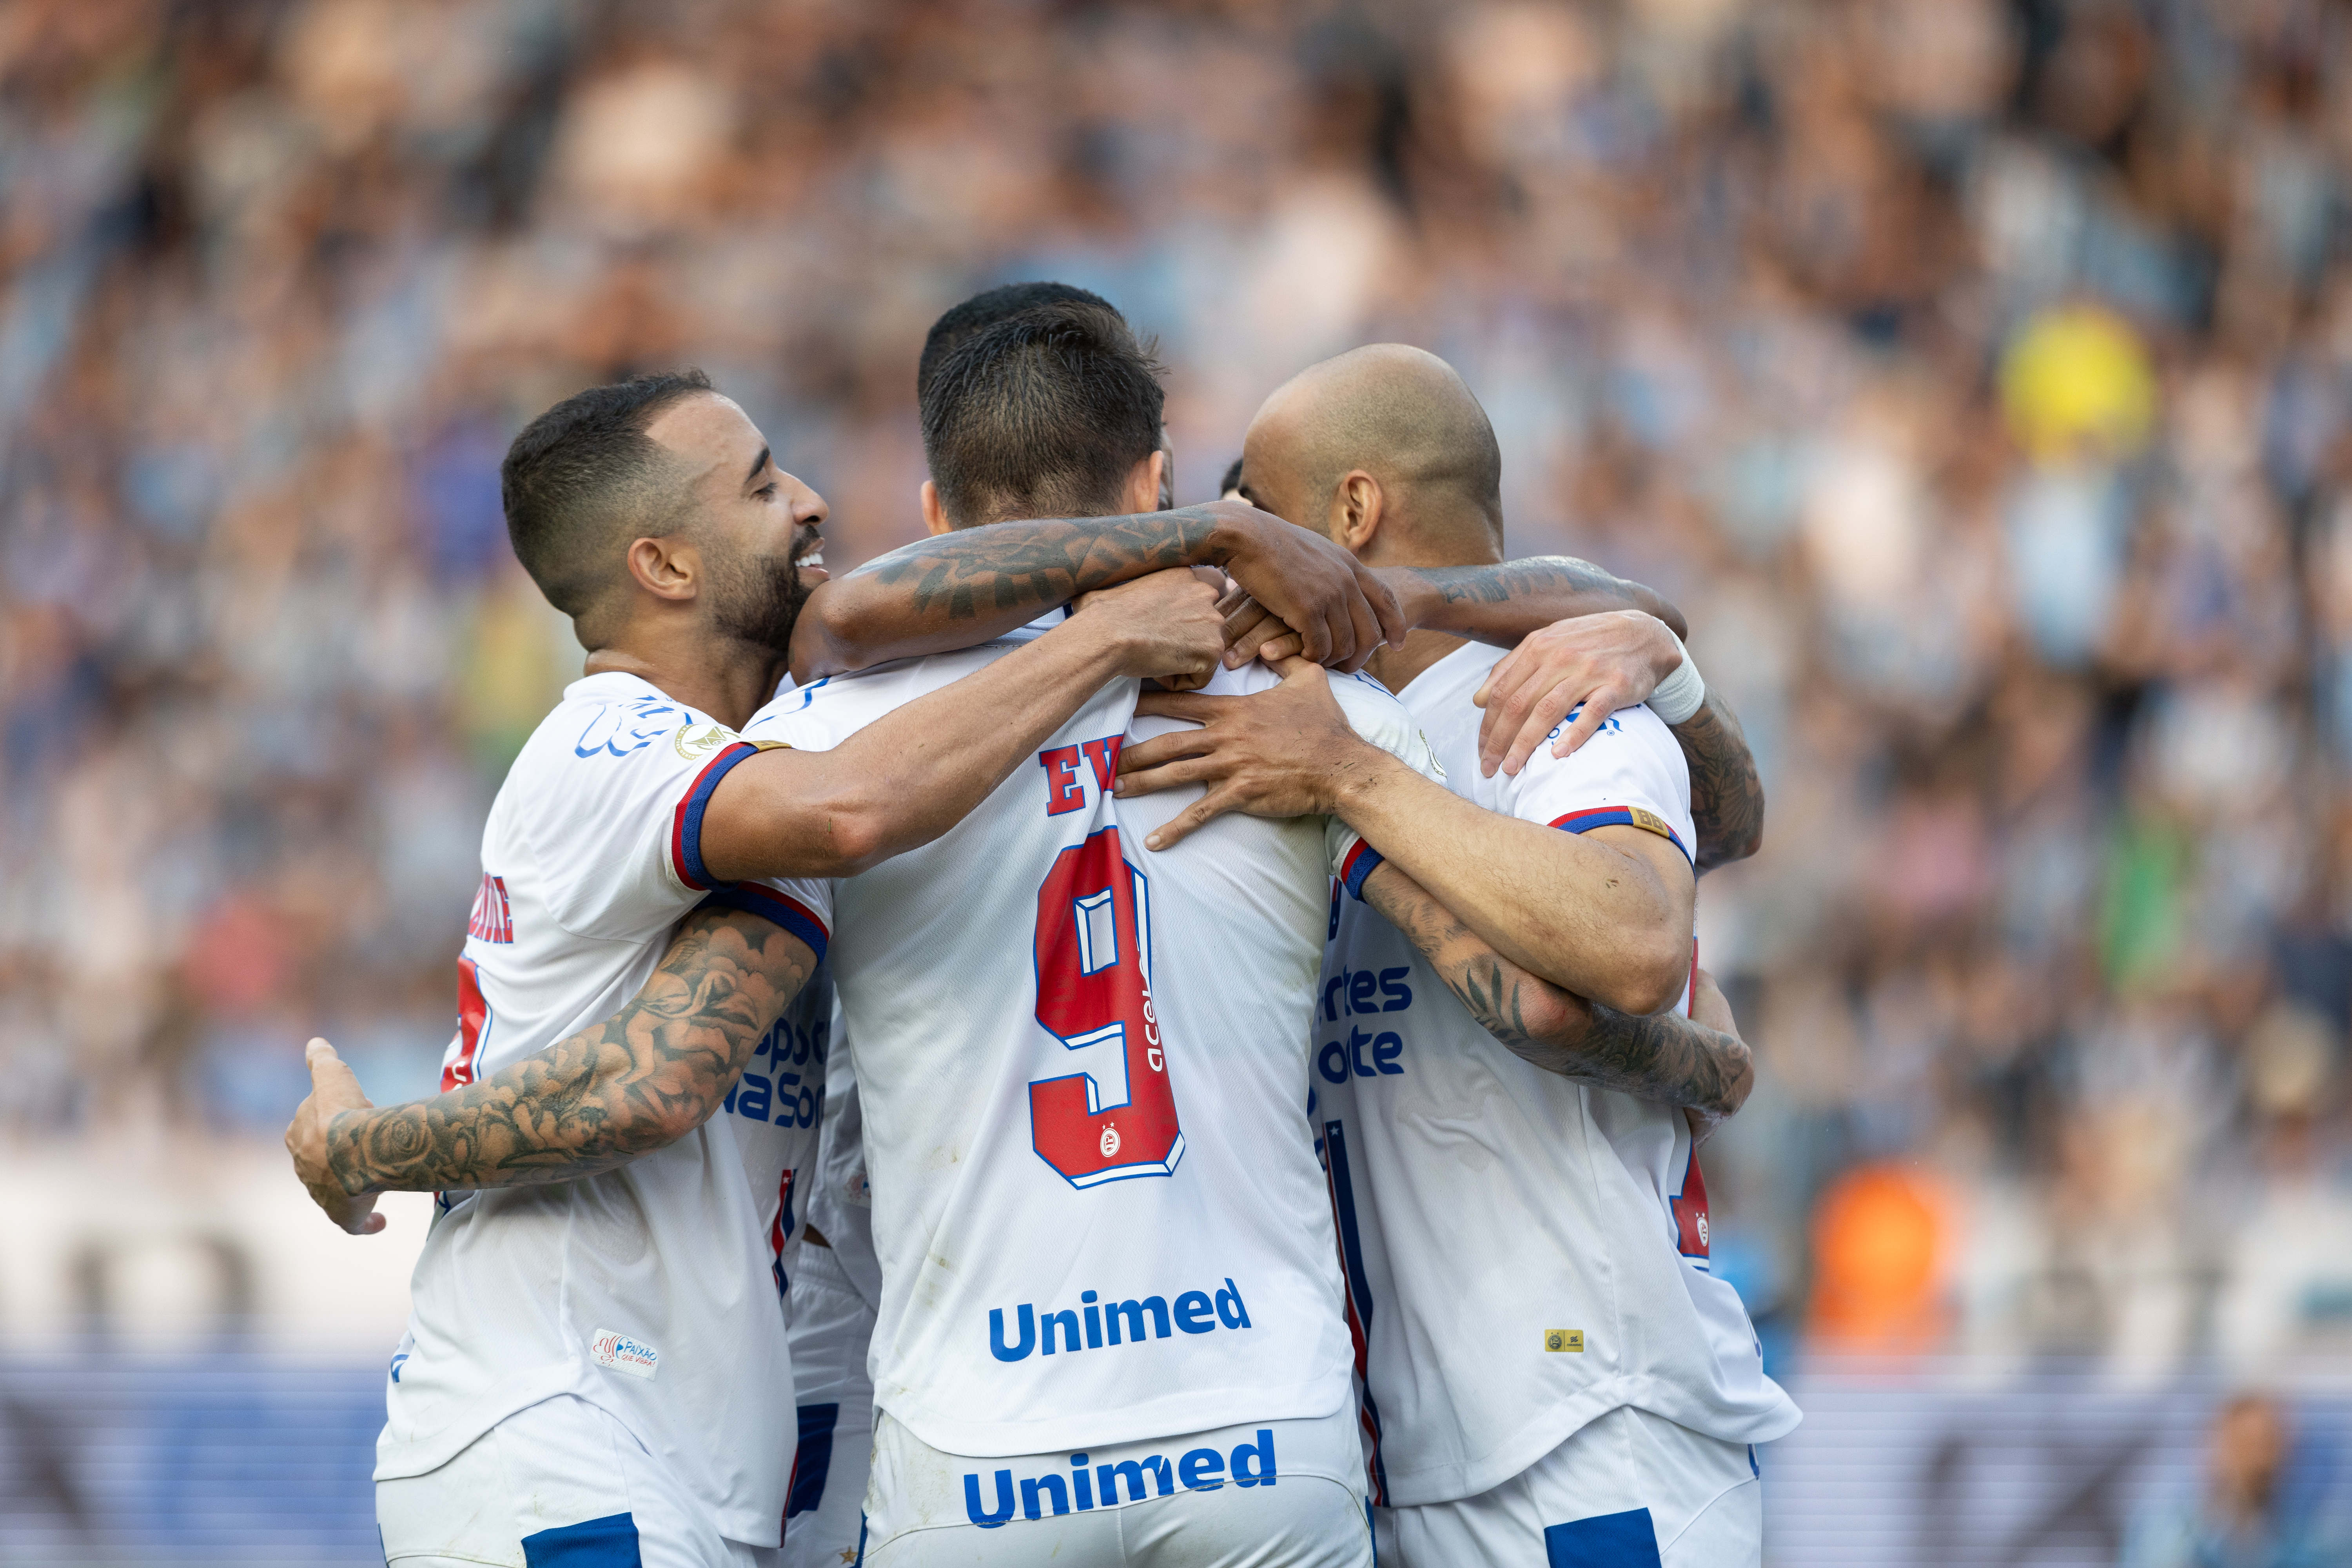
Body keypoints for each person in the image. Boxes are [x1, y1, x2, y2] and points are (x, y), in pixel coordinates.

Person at [282, 365, 1392, 1568]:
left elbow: (859, 660)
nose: (811, 502)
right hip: (557, 1428)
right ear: (663, 567)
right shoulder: (614, 752)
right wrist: (1120, 622)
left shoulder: (760, 765)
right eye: (763, 485)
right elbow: (666, 1064)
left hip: (672, 1455)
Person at [1116, 344, 1801, 1567]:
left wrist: (1348, 778)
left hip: (1588, 1437)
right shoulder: (1308, 723)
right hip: (1405, 1455)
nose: (1241, 571)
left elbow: (1636, 944)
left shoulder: (1553, 698)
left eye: (1259, 521)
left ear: (1354, 512)